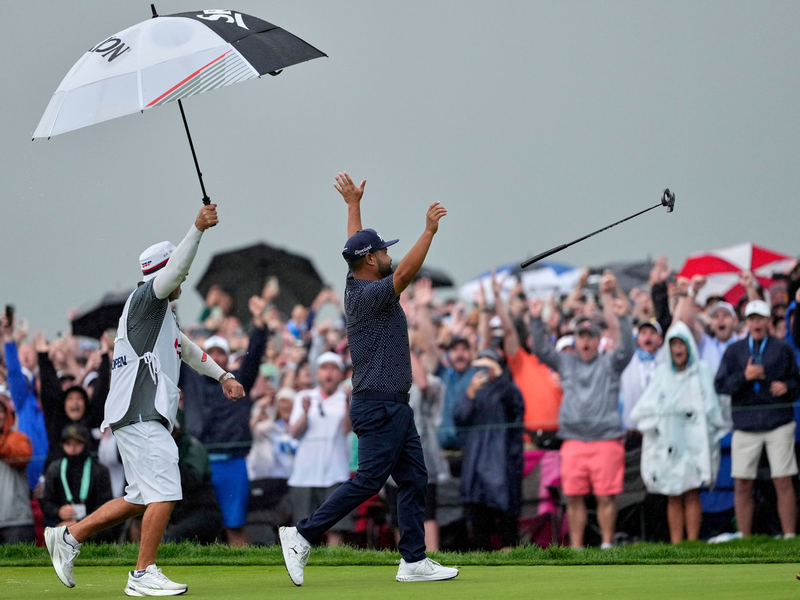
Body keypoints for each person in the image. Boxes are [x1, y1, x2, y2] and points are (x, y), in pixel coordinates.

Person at [44, 205, 245, 597]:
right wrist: (198, 228)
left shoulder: (162, 314)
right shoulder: (145, 300)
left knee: (139, 498)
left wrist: (223, 375)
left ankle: (69, 537)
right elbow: (176, 271)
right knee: (166, 489)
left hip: (137, 417)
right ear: (163, 271)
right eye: (176, 272)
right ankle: (142, 573)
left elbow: (186, 350)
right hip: (140, 416)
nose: (181, 278)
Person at [280, 171, 458, 584]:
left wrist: (353, 206)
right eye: (381, 251)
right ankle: (301, 534)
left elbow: (355, 246)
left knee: (415, 478)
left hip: (392, 403)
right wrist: (428, 231)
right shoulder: (372, 293)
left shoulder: (358, 277)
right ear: (370, 261)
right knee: (370, 481)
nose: (386, 254)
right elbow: (406, 273)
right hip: (378, 403)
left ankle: (413, 560)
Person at [529, 272, 635, 549]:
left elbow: (628, 350)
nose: (585, 341)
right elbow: (540, 349)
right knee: (573, 497)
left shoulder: (611, 363)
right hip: (574, 440)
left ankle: (607, 544)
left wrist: (623, 319)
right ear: (575, 339)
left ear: (599, 340)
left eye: (590, 336)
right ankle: (576, 547)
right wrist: (535, 320)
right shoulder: (566, 362)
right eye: (581, 336)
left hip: (606, 439)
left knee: (606, 496)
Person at [180, 295, 268, 546]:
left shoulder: (240, 380)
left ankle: (246, 577)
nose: (216, 357)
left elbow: (254, 356)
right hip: (198, 464)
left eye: (222, 352)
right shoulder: (191, 380)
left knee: (234, 525)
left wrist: (259, 322)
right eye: (211, 352)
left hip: (232, 463)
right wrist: (170, 315)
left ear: (229, 358)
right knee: (196, 526)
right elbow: (176, 350)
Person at [631, 322, 730, 543]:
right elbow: (646, 407)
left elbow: (713, 407)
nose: (678, 349)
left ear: (688, 346)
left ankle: (692, 542)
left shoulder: (702, 371)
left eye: (681, 344)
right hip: (670, 445)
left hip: (694, 445)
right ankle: (677, 544)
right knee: (673, 494)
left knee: (692, 492)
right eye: (673, 344)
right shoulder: (662, 374)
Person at [715, 300, 800, 539]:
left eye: (760, 318)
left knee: (783, 480)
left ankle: (789, 535)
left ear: (767, 322)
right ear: (747, 322)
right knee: (742, 482)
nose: (756, 323)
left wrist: (787, 387)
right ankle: (744, 535)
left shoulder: (782, 348)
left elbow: (796, 382)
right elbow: (721, 384)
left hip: (777, 422)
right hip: (745, 425)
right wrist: (744, 376)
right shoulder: (735, 351)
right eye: (751, 319)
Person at [454, 348, 524, 550]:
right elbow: (460, 418)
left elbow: (516, 407)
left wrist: (500, 374)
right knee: (479, 523)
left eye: (489, 366)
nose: (485, 371)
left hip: (502, 465)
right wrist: (470, 394)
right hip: (476, 466)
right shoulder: (471, 391)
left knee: (507, 521)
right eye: (481, 366)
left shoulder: (507, 389)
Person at [287, 352, 352, 546]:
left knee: (336, 528)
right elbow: (294, 432)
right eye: (325, 368)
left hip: (335, 472)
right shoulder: (303, 397)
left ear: (340, 374)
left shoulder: (345, 398)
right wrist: (305, 413)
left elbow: (347, 428)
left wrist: (349, 404)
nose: (329, 373)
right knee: (302, 529)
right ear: (318, 373)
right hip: (304, 474)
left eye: (333, 368)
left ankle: (335, 571)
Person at [41, 425, 114, 541]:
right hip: (62, 526)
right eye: (68, 444)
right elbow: (46, 502)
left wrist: (78, 523)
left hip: (94, 530)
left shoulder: (100, 470)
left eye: (77, 443)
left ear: (86, 444)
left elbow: (105, 505)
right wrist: (58, 511)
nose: (72, 448)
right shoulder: (54, 469)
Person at [1, 313, 47, 490]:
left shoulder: (54, 408)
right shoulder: (23, 402)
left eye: (30, 352)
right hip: (26, 484)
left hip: (52, 482)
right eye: (23, 352)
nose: (26, 355)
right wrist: (8, 338)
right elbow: (13, 373)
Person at [164, 412, 223, 545]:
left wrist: (168, 458)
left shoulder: (191, 446)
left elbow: (191, 480)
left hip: (201, 511)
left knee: (171, 539)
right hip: (177, 513)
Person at [0, 387, 36, 544]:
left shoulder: (18, 439)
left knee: (22, 567)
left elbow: (22, 457)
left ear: (7, 415)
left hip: (16, 521)